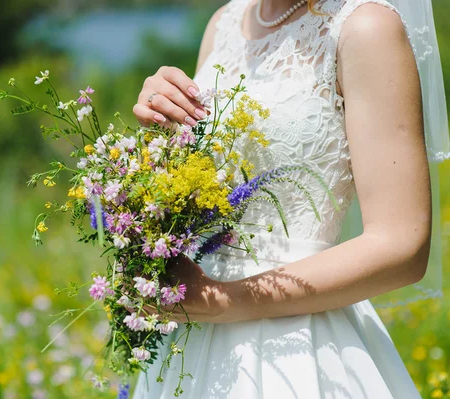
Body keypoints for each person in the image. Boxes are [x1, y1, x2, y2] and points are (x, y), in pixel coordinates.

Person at [131, 0, 434, 397]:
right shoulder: (223, 24)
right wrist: (161, 127)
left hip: (299, 348)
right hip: (192, 343)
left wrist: (224, 301)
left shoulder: (364, 28)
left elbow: (402, 245)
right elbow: (203, 195)